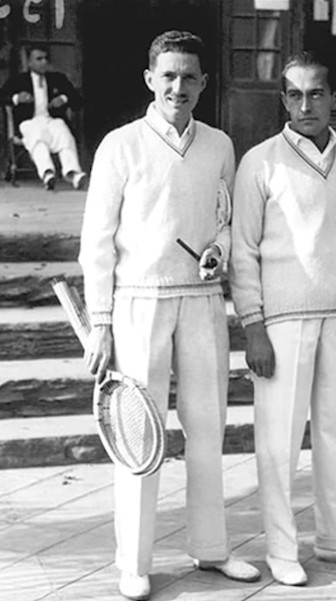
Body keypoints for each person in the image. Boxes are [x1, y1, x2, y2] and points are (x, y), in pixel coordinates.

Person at [78, 30, 260, 600]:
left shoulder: (220, 145)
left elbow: (226, 221)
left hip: (202, 299)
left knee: (208, 428)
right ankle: (133, 562)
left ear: (204, 84)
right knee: (140, 433)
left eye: (189, 77)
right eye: (169, 75)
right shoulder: (120, 145)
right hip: (138, 301)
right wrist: (102, 321)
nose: (178, 86)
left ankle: (211, 548)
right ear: (150, 80)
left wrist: (220, 251)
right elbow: (96, 242)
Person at [229, 51, 336, 587]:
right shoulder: (260, 161)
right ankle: (281, 548)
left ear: (335, 98)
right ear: (283, 100)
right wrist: (253, 323)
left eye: (316, 93)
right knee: (279, 440)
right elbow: (242, 249)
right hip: (280, 320)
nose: (306, 104)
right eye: (295, 95)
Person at [0, 44, 87, 190]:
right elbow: (2, 97)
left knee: (64, 135)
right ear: (29, 62)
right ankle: (47, 173)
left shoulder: (58, 79)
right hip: (29, 121)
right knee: (37, 138)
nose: (43, 62)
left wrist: (64, 99)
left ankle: (73, 173)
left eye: (46, 59)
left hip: (52, 120)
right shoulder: (18, 80)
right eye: (39, 59)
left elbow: (78, 101)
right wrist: (16, 98)